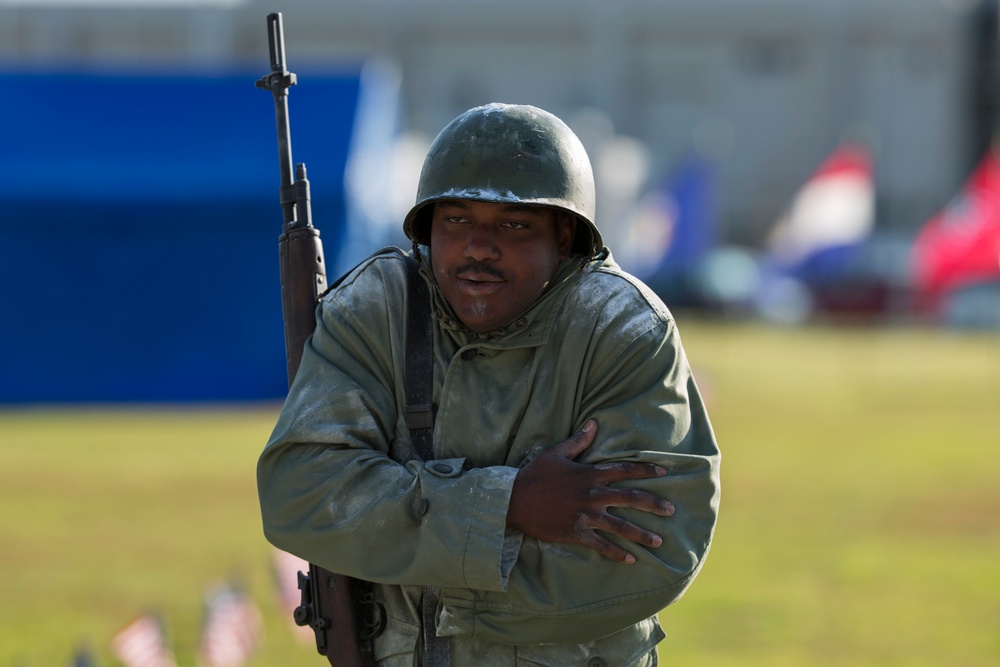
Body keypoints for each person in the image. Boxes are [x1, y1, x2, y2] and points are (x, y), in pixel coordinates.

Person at [257, 103, 721, 666]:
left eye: (514, 224)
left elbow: (648, 556)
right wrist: (507, 507)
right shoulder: (376, 310)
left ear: (565, 233)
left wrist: (414, 571)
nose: (479, 246)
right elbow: (300, 494)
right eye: (456, 220)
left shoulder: (621, 329)